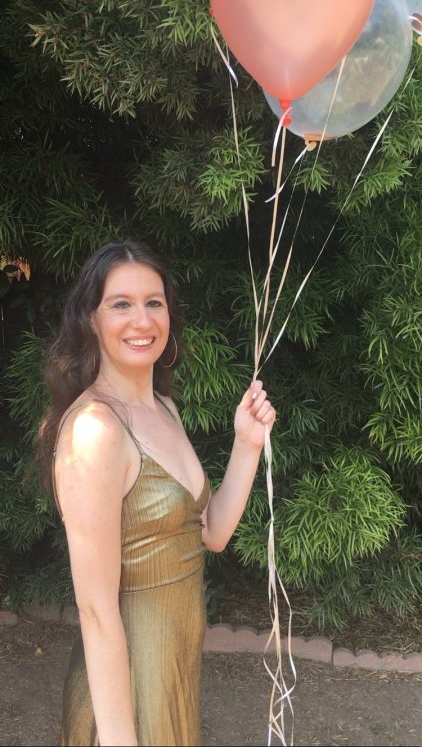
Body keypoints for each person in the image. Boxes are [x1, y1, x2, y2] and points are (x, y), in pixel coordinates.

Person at [37, 238, 276, 747]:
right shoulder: (95, 431)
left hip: (173, 673)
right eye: (120, 304)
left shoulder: (162, 408)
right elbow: (96, 611)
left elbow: (209, 533)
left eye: (154, 302)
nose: (142, 320)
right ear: (91, 320)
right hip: (125, 696)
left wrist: (246, 444)